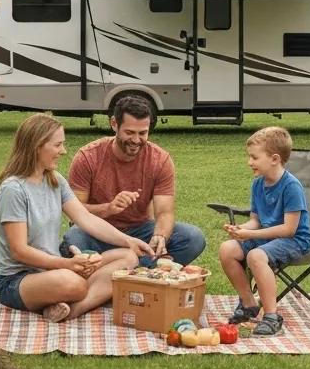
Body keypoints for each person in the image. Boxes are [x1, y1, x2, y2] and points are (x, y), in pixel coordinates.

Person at [0, 114, 151, 321]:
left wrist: (128, 241)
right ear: (37, 146)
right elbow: (19, 251)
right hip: (17, 280)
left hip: (55, 267)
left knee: (128, 257)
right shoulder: (13, 190)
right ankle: (81, 296)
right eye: (58, 145)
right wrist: (67, 265)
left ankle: (70, 310)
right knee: (73, 283)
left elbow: (86, 218)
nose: (63, 151)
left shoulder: (54, 180)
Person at [62, 95, 206, 266]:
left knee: (193, 237)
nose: (137, 140)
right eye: (129, 133)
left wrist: (160, 235)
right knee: (75, 238)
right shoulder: (88, 157)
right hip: (98, 231)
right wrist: (108, 209)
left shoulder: (160, 160)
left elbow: (165, 212)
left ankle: (125, 268)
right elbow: (75, 214)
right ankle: (142, 267)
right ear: (114, 124)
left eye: (143, 133)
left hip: (140, 230)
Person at [218, 126, 310, 336]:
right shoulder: (258, 184)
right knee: (227, 249)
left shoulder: (291, 187)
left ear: (274, 159)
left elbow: (289, 229)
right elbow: (256, 220)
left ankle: (271, 316)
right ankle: (248, 304)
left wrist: (250, 235)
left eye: (254, 157)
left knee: (255, 255)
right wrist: (241, 229)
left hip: (295, 240)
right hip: (268, 237)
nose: (249, 162)